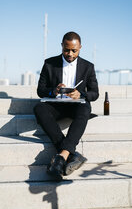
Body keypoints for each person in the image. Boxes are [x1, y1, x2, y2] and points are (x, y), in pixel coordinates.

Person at [34, 31, 99, 180]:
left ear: (80, 48)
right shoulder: (49, 63)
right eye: (66, 49)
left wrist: (81, 95)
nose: (70, 53)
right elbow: (40, 91)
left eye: (74, 50)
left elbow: (95, 93)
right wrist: (53, 91)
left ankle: (61, 157)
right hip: (56, 105)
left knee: (85, 107)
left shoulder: (88, 67)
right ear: (62, 46)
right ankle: (71, 155)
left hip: (76, 106)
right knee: (39, 108)